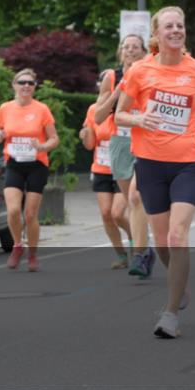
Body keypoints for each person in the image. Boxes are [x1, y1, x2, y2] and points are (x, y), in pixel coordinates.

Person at [114, 6, 195, 339]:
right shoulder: (140, 71)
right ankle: (180, 286)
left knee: (177, 236)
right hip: (150, 165)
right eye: (169, 26)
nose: (176, 30)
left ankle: (171, 313)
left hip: (189, 163)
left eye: (180, 25)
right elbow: (120, 115)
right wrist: (139, 119)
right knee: (162, 243)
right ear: (156, 34)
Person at [93, 33, 155, 278]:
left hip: (146, 141)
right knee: (126, 208)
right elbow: (98, 117)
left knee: (137, 197)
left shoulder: (152, 73)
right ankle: (144, 247)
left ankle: (140, 254)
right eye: (126, 47)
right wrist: (117, 92)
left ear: (144, 52)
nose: (130, 50)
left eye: (135, 47)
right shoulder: (112, 77)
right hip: (120, 143)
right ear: (120, 52)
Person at [0, 68, 59, 272]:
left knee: (30, 214)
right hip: (14, 163)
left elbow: (54, 138)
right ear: (14, 85)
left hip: (36, 164)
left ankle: (32, 254)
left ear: (34, 87)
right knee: (13, 210)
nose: (26, 86)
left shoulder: (42, 109)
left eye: (31, 83)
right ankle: (17, 245)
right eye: (22, 82)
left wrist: (43, 146)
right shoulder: (5, 108)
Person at [80, 79, 132, 269]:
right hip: (101, 168)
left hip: (123, 168)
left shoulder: (125, 108)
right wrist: (85, 135)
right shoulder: (94, 110)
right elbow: (90, 145)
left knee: (117, 213)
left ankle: (136, 240)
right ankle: (121, 255)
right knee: (106, 214)